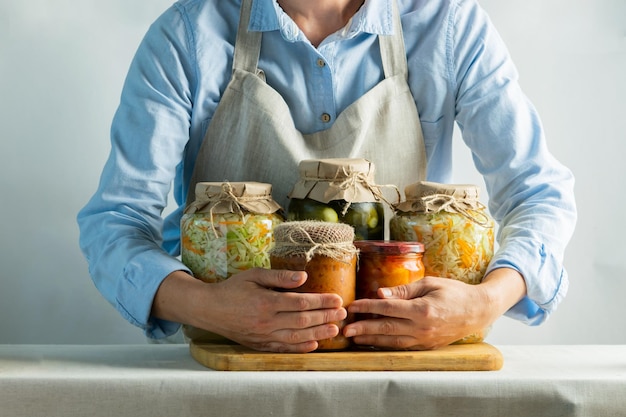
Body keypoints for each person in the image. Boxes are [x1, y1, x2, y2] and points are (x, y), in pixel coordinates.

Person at [77, 0, 576, 352]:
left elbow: (537, 193)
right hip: (231, 365)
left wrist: (483, 303)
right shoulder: (188, 35)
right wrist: (209, 307)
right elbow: (117, 219)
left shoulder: (449, 27)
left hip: (406, 364)